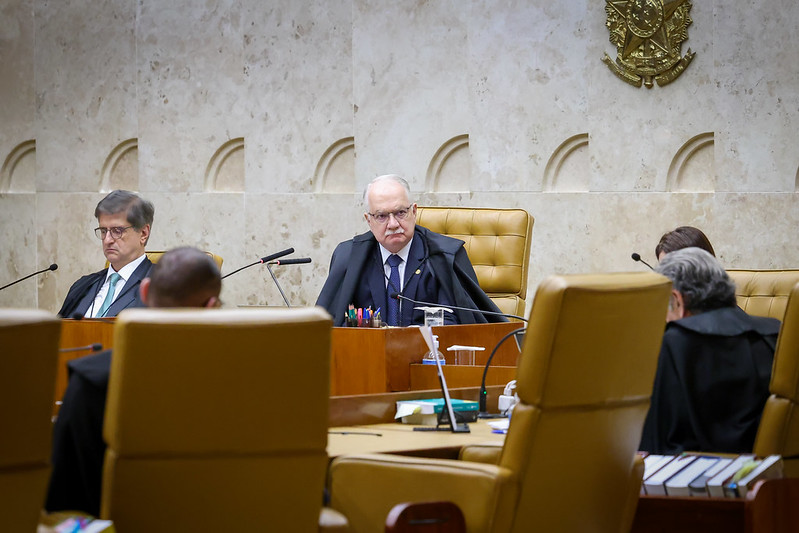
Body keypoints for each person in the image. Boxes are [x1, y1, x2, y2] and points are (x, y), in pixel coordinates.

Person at [46, 247, 222, 516]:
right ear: (211, 306)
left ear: (145, 291)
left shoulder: (91, 382)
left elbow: (65, 498)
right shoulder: (242, 380)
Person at [640, 247, 780, 455]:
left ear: (676, 300)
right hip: (777, 468)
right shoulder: (776, 330)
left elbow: (657, 442)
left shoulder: (676, 341)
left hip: (700, 471)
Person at [316, 175, 505, 327]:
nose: (393, 224)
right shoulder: (349, 257)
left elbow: (453, 321)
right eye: (381, 216)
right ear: (369, 220)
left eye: (400, 213)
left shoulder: (444, 256)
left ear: (414, 212)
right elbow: (333, 323)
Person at [58, 190, 155, 318]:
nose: (107, 240)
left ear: (143, 233)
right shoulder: (82, 285)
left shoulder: (160, 285)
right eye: (103, 231)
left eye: (117, 231)